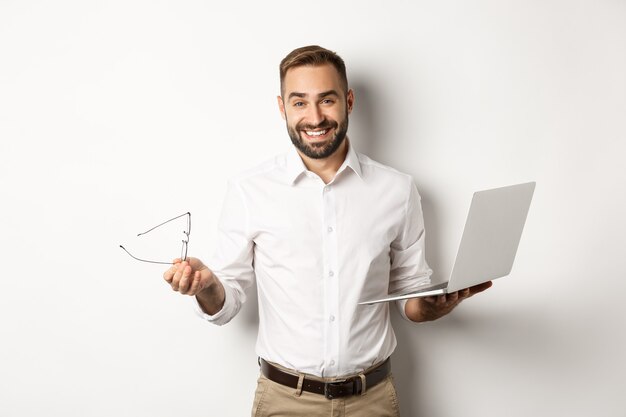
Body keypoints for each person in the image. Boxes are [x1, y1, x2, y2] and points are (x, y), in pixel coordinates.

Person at [162, 45, 491, 417]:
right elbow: (227, 303)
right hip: (285, 402)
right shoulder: (249, 190)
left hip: (373, 401)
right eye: (299, 102)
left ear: (348, 101)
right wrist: (207, 286)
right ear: (282, 107)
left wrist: (429, 306)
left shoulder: (397, 190)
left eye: (327, 100)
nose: (315, 117)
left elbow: (410, 296)